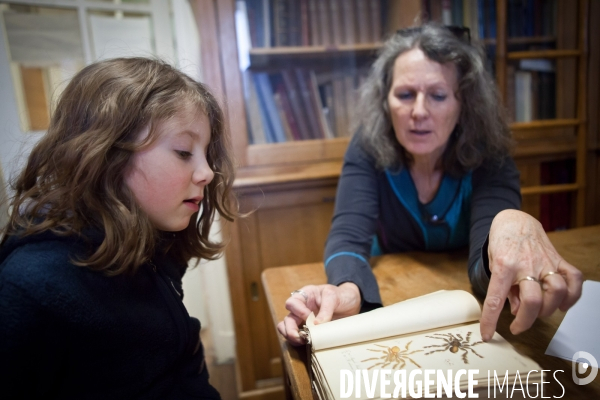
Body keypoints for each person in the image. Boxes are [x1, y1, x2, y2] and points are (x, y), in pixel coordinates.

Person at [278, 24, 583, 346]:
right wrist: (348, 289)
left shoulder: (490, 149)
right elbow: (347, 234)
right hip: (392, 296)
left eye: (437, 95)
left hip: (468, 305)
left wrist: (510, 222)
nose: (419, 111)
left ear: (463, 103)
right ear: (386, 101)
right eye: (405, 95)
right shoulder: (368, 145)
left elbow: (487, 264)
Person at [0, 58, 236, 399]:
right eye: (184, 152)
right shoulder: (29, 287)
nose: (207, 172)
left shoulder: (147, 246)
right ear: (107, 154)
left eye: (206, 154)